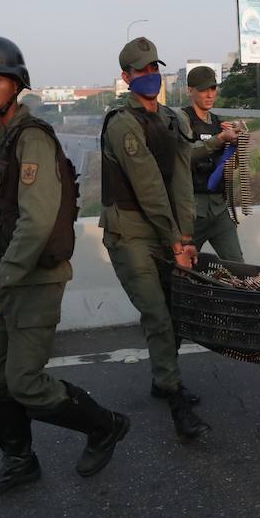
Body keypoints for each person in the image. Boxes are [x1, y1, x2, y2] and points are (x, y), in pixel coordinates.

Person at [0, 35, 130, 502]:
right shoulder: (0, 138)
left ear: (17, 85)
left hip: (34, 279)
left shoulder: (31, 138)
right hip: (10, 276)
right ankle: (20, 463)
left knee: (26, 383)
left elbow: (35, 225)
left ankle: (106, 425)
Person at [99, 37, 210, 441]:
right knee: (159, 317)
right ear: (127, 77)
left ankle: (163, 379)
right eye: (141, 71)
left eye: (154, 69)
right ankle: (176, 401)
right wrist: (174, 243)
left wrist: (185, 235)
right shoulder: (122, 124)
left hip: (165, 230)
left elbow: (181, 181)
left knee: (176, 313)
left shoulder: (173, 119)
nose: (150, 77)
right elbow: (148, 189)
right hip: (130, 233)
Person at [178, 66, 244, 262]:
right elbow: (185, 154)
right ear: (190, 90)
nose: (209, 95)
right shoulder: (182, 119)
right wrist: (220, 139)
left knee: (237, 266)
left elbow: (230, 165)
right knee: (181, 269)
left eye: (213, 89)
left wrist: (235, 142)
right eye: (204, 90)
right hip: (192, 211)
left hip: (218, 208)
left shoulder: (217, 122)